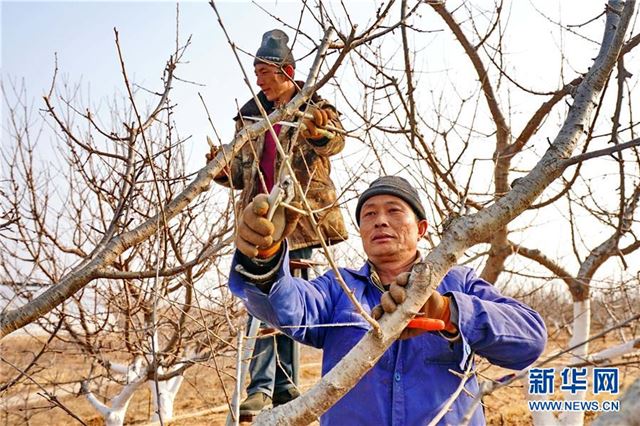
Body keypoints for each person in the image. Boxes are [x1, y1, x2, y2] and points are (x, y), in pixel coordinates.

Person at [228, 176, 547, 425]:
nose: (380, 221)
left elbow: (530, 340)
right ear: (361, 230)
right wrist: (263, 259)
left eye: (394, 211)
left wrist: (449, 311)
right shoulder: (339, 288)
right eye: (369, 214)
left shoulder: (457, 282)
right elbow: (287, 309)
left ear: (421, 228)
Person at [208, 29, 348, 418]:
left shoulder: (314, 106)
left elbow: (334, 140)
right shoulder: (251, 115)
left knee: (291, 302)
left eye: (265, 74)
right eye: (255, 74)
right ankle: (260, 384)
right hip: (258, 219)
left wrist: (317, 130)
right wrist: (220, 167)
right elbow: (240, 171)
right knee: (258, 296)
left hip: (298, 216)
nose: (260, 82)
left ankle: (286, 384)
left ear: (285, 71)